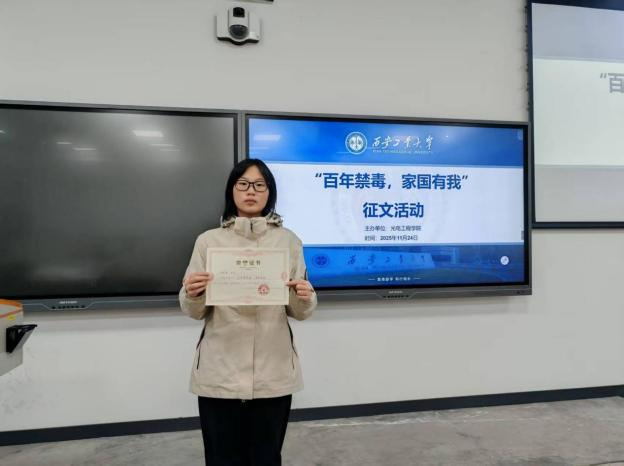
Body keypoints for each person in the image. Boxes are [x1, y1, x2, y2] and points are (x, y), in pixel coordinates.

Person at [179, 158, 317, 466]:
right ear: (232, 191)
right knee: (222, 458)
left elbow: (299, 311)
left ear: (270, 192)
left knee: (266, 457)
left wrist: (305, 296)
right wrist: (192, 293)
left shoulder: (289, 241)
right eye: (243, 184)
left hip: (272, 371)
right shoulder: (208, 241)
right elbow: (193, 310)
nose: (250, 191)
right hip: (220, 370)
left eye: (259, 185)